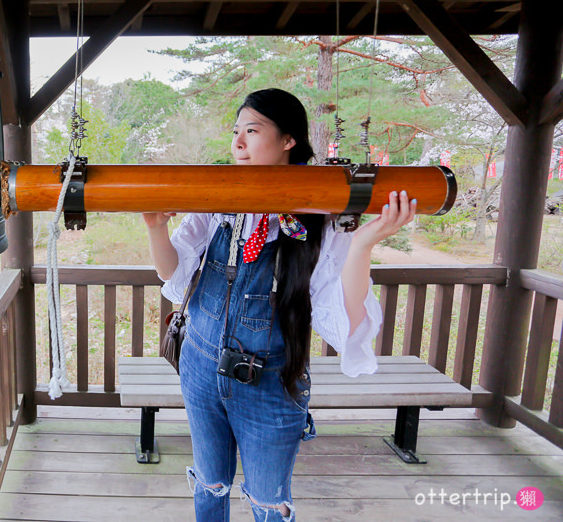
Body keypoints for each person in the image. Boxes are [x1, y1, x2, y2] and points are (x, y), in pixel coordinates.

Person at [143, 88, 416, 522]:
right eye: (236, 131)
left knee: (269, 501)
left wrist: (363, 243)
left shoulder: (322, 210)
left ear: (289, 139)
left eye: (252, 130)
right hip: (198, 365)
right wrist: (156, 228)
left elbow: (348, 317)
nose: (238, 143)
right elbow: (173, 276)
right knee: (210, 483)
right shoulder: (219, 197)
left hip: (269, 380)